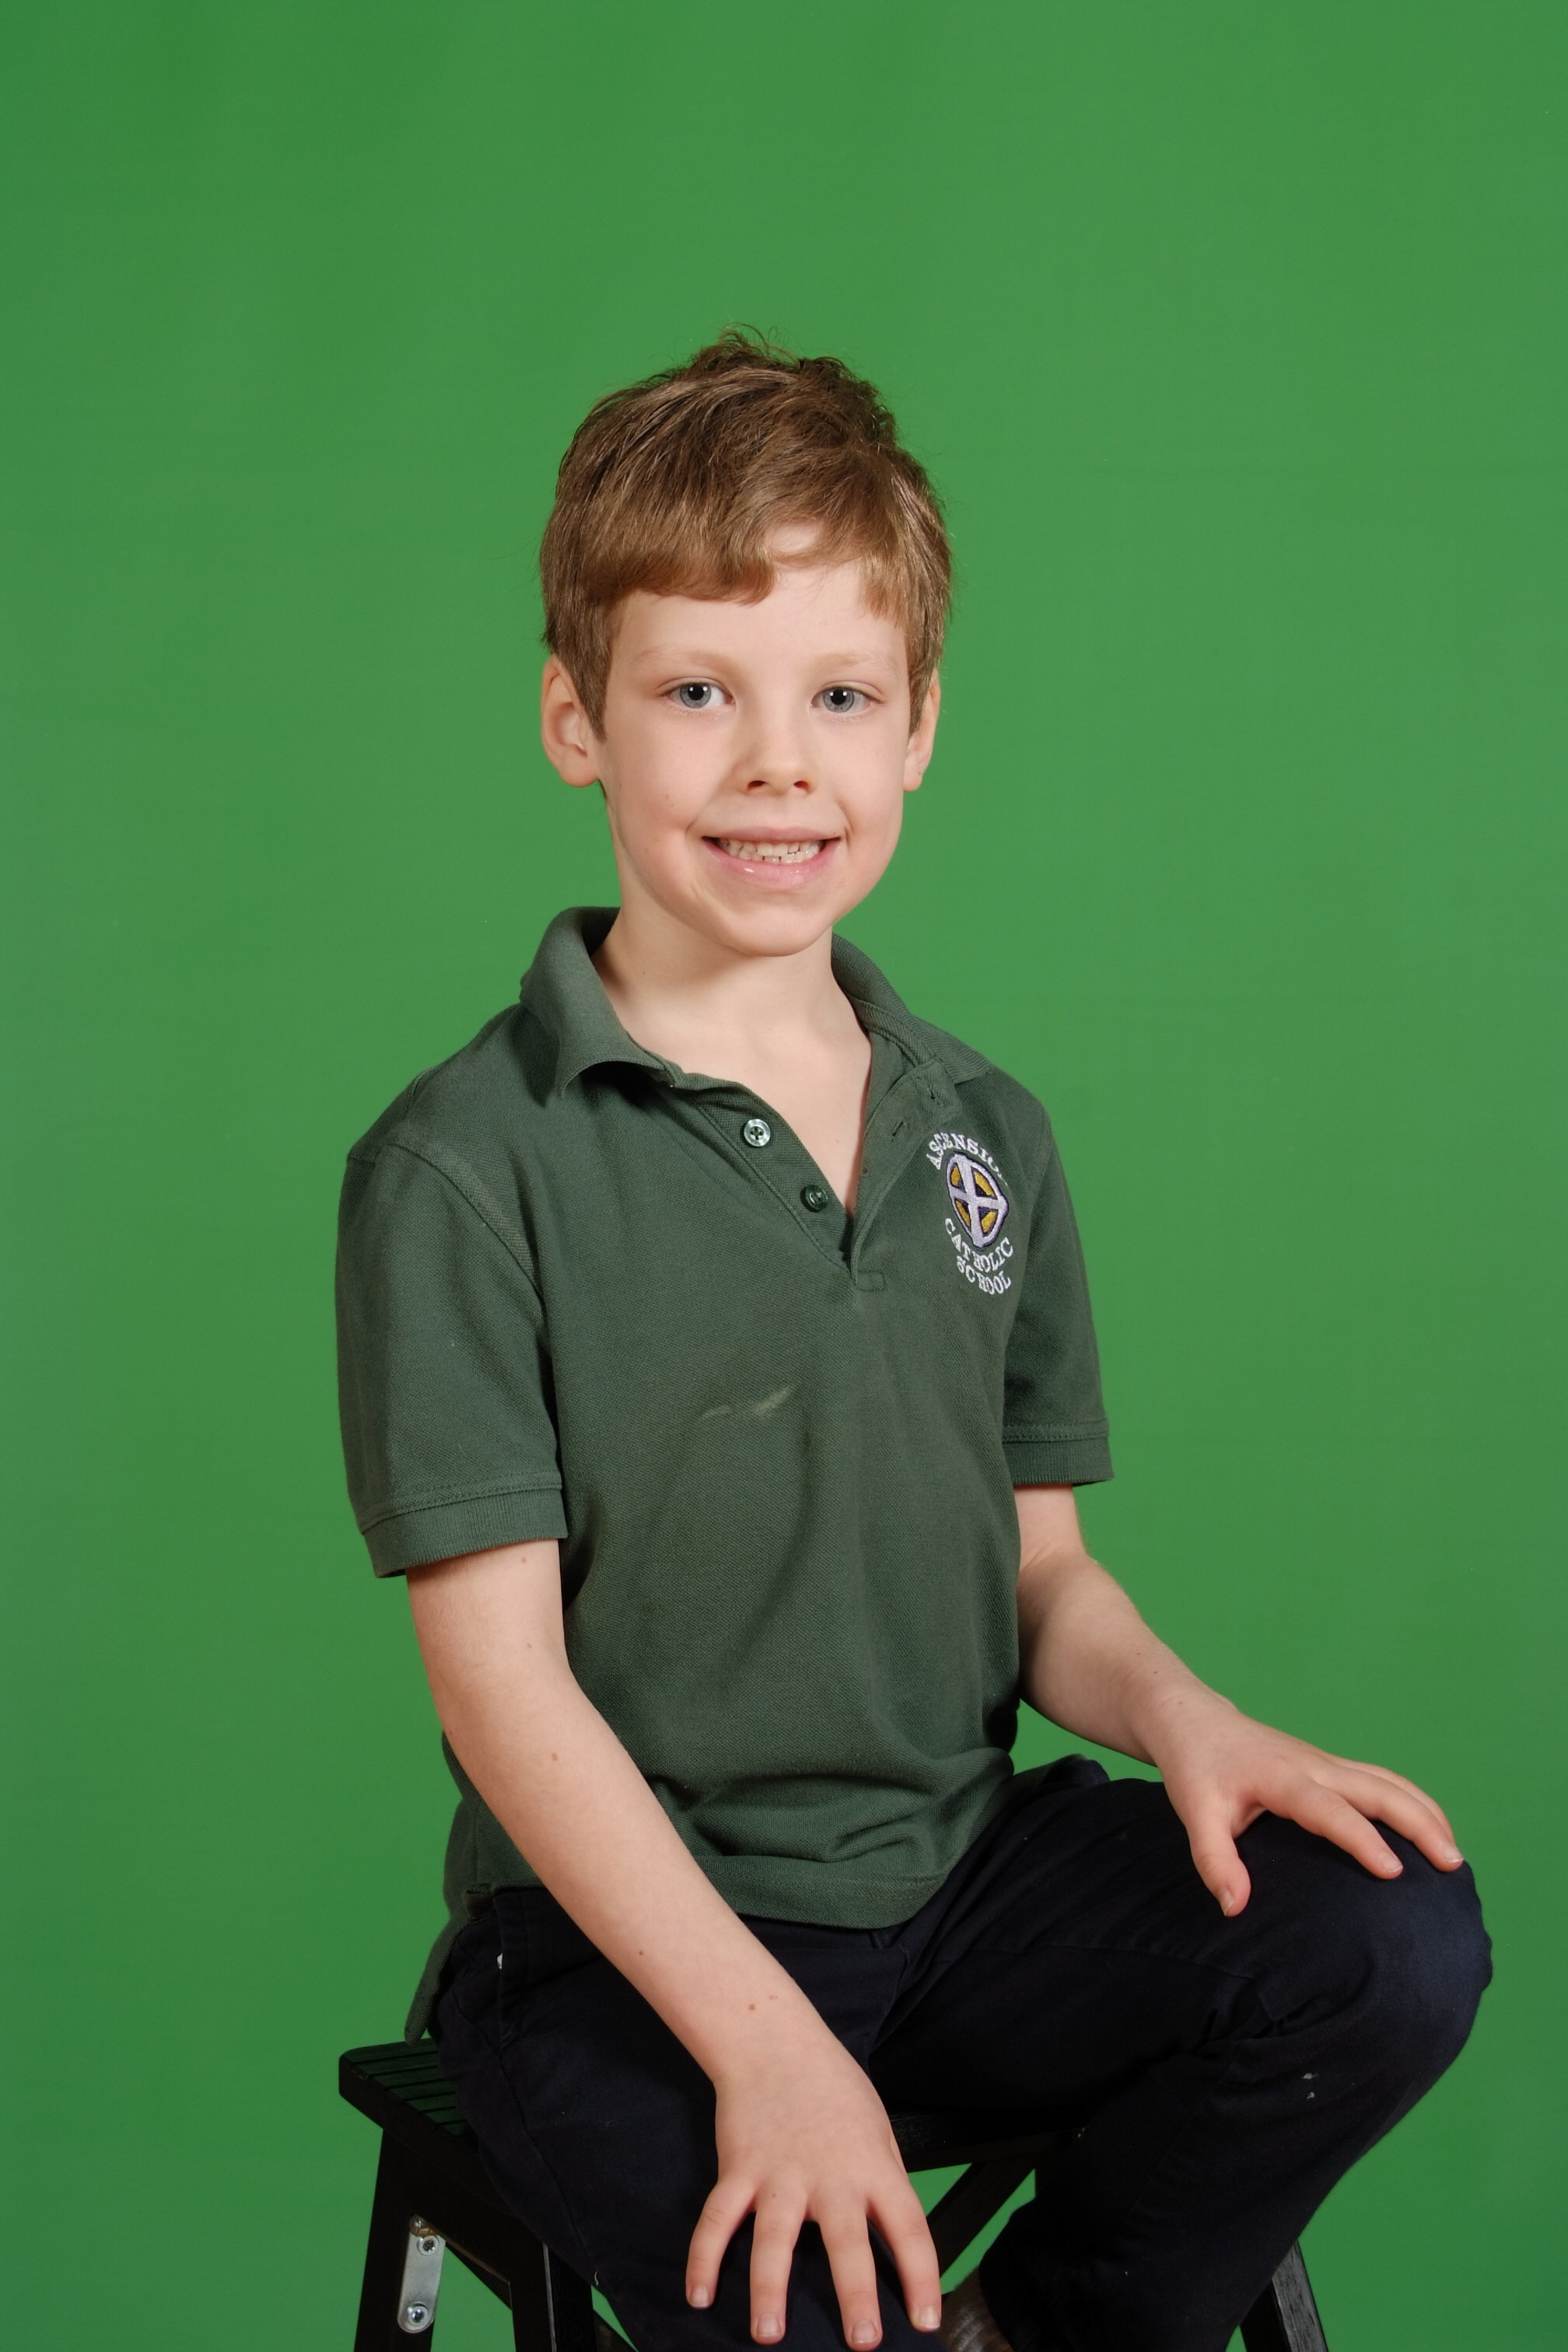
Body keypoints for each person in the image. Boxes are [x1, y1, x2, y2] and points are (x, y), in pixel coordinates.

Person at [334, 333, 1489, 2352]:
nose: (779, 763)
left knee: (1385, 1941)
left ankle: (1025, 2327)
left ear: (919, 728)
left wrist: (1188, 1718)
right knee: (792, 2287)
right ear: (576, 719)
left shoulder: (983, 1132)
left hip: (960, 1893)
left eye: (841, 697)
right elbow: (503, 1691)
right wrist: (769, 2050)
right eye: (700, 691)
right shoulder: (464, 1164)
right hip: (621, 1956)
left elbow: (1040, 1578)